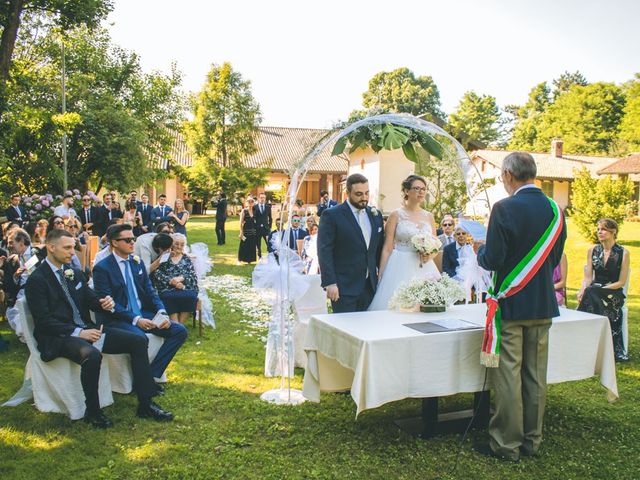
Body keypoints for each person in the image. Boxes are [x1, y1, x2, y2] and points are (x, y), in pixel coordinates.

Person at [25, 228, 172, 428]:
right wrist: (79, 332)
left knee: (139, 340)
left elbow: (89, 298)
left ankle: (145, 403)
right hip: (58, 337)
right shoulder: (37, 280)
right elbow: (43, 321)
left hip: (87, 329)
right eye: (67, 247)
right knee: (91, 355)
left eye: (73, 247)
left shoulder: (74, 272)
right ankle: (93, 411)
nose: (72, 251)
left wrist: (103, 302)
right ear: (51, 248)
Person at [475, 152, 566, 462]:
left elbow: (494, 259)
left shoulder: (503, 208)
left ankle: (506, 444)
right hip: (542, 301)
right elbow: (553, 258)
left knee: (509, 376)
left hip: (511, 304)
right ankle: (532, 440)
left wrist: (480, 251)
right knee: (536, 375)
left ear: (509, 176)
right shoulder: (556, 210)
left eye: (502, 177)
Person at [92, 224, 188, 382]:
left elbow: (150, 292)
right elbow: (110, 304)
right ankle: (144, 383)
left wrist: (161, 312)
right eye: (128, 240)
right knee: (140, 338)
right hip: (119, 318)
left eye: (133, 239)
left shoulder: (136, 263)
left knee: (179, 331)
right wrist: (136, 320)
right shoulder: (102, 268)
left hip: (143, 312)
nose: (132, 243)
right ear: (115, 242)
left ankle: (151, 374)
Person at [367, 175, 439, 311]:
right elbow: (387, 247)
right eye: (417, 188)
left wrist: (429, 255)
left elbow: (435, 244)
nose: (421, 192)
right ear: (406, 191)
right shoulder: (396, 215)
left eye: (423, 189)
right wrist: (381, 274)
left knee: (426, 305)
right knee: (398, 305)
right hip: (399, 264)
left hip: (424, 266)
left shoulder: (429, 216)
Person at [318, 173, 384, 313]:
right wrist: (330, 282)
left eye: (367, 193)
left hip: (370, 286)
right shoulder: (332, 215)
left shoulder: (375, 215)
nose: (364, 198)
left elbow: (378, 249)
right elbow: (324, 251)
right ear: (347, 193)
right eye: (359, 194)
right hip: (343, 287)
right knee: (344, 331)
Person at [577, 218, 630, 362]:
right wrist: (582, 290)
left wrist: (601, 289)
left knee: (592, 292)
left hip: (613, 292)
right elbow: (588, 278)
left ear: (613, 232)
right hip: (594, 291)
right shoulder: (592, 250)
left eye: (603, 229)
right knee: (590, 291)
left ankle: (583, 343)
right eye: (598, 229)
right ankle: (609, 349)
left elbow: (621, 282)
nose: (600, 232)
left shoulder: (623, 253)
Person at [2, 228, 45, 339]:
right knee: (17, 308)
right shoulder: (11, 260)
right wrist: (15, 276)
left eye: (11, 242)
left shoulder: (40, 252)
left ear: (21, 242)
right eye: (7, 242)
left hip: (40, 291)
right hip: (21, 293)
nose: (8, 245)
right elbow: (7, 285)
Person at [151, 233, 199, 324]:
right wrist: (171, 281)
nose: (179, 246)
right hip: (167, 288)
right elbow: (157, 273)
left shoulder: (186, 258)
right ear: (171, 244)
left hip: (184, 287)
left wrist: (181, 279)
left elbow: (192, 275)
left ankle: (180, 325)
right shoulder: (165, 257)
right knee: (167, 297)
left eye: (182, 244)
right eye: (176, 243)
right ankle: (176, 324)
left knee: (191, 296)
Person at [238, 198, 259, 264]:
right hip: (246, 230)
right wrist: (241, 232)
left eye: (252, 201)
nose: (250, 203)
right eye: (249, 201)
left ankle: (249, 260)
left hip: (253, 231)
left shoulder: (255, 211)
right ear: (246, 203)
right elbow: (240, 223)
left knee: (251, 245)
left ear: (253, 203)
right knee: (243, 245)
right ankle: (240, 260)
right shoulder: (244, 211)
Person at [253, 192, 272, 257]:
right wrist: (254, 226)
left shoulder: (268, 207)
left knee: (269, 243)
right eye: (261, 198)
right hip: (257, 228)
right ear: (258, 198)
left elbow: (270, 218)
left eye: (263, 198)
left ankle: (270, 255)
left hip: (266, 229)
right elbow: (253, 218)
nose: (262, 199)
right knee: (258, 244)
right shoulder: (254, 207)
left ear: (265, 198)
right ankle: (259, 256)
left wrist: (269, 227)